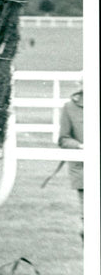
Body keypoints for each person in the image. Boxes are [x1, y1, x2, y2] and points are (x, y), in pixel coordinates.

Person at [58, 89, 84, 236]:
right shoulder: (70, 107)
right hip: (83, 171)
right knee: (88, 224)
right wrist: (80, 146)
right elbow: (64, 139)